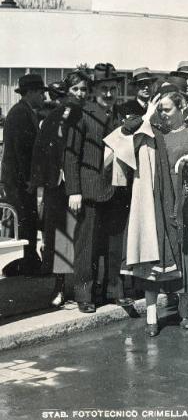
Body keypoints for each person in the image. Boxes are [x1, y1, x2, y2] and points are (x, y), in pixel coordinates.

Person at [119, 87, 188, 336]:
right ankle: (151, 317)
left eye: (167, 109)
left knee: (185, 256)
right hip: (156, 200)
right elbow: (126, 139)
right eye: (160, 109)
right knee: (155, 257)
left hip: (187, 200)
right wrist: (148, 114)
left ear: (182, 109)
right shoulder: (153, 133)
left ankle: (184, 312)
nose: (163, 114)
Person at [64, 63, 132, 313]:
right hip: (90, 190)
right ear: (94, 91)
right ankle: (85, 294)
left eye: (113, 89)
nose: (109, 94)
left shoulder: (119, 118)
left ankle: (114, 291)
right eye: (104, 88)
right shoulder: (81, 115)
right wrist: (74, 190)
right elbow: (71, 156)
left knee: (114, 245)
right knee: (88, 246)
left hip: (116, 190)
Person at [31, 70, 89, 304]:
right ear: (67, 91)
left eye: (84, 89)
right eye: (75, 89)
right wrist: (43, 186)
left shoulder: (88, 115)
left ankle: (83, 286)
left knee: (81, 237)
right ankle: (60, 286)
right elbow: (42, 152)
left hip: (83, 184)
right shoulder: (55, 117)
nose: (80, 94)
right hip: (58, 186)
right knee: (61, 236)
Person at [1, 74, 48, 267]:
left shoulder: (25, 111)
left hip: (19, 179)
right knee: (24, 220)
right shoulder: (21, 113)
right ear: (30, 93)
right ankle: (24, 262)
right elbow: (21, 151)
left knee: (26, 219)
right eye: (40, 93)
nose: (43, 98)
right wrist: (29, 179)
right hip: (19, 181)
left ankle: (28, 260)